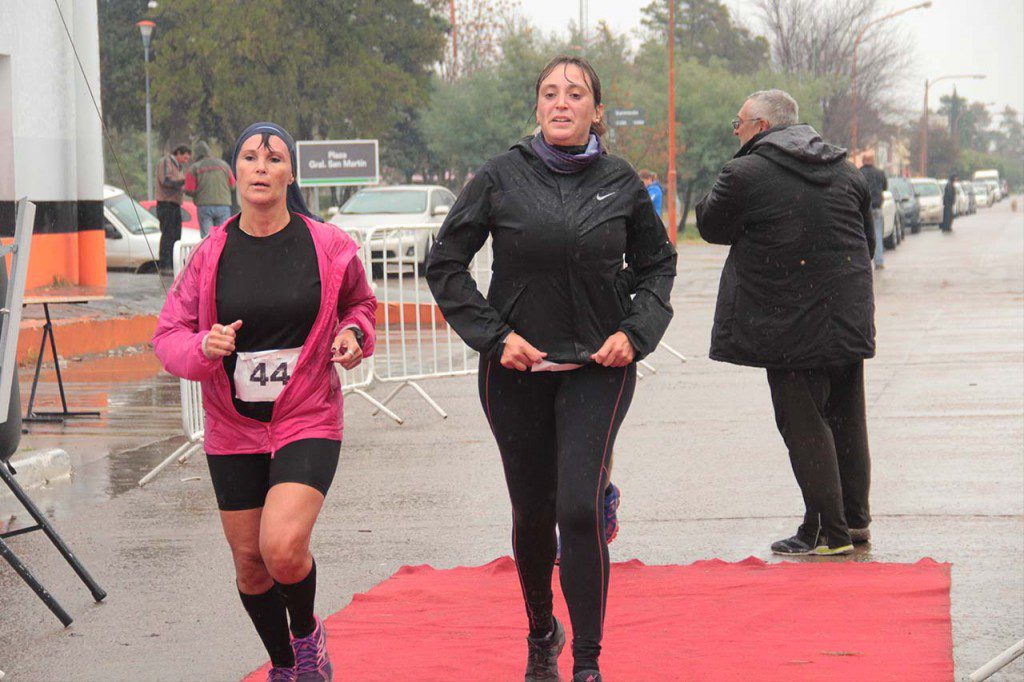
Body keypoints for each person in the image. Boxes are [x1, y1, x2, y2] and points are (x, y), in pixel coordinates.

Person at [427, 55, 676, 682]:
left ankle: (588, 663)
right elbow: (446, 264)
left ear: (597, 110)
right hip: (516, 373)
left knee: (578, 510)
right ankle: (542, 630)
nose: (561, 103)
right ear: (537, 107)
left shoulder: (620, 181)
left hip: (598, 366)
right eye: (549, 93)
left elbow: (657, 265)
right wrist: (495, 337)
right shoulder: (500, 176)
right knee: (534, 513)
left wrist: (634, 333)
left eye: (575, 94)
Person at [153, 122, 377, 682]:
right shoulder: (210, 253)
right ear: (235, 174)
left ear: (289, 174)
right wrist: (202, 347)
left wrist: (354, 334)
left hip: (307, 414)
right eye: (250, 157)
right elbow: (168, 335)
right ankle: (285, 664)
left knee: (281, 547)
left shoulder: (327, 245)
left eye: (274, 158)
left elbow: (360, 305)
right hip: (233, 425)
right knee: (251, 565)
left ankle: (307, 637)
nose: (261, 167)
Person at [696, 89, 875, 557]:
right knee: (846, 418)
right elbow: (868, 241)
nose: (735, 133)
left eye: (738, 124)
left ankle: (830, 533)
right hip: (846, 316)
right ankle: (852, 521)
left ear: (760, 126)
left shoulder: (745, 173)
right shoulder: (846, 170)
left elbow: (711, 226)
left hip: (786, 323)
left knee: (803, 424)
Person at [185, 140, 237, 238]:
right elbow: (233, 186)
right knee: (222, 236)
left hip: (204, 206)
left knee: (207, 238)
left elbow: (190, 190)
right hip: (223, 205)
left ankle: (210, 249)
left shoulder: (195, 167)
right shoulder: (224, 165)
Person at [155, 144, 191, 272]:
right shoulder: (167, 162)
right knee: (168, 236)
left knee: (176, 235)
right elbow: (166, 181)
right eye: (185, 158)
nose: (186, 161)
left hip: (175, 204)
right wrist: (183, 182)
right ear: (178, 153)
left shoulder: (178, 167)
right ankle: (165, 265)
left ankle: (173, 265)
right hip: (166, 204)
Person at [859, 150, 888, 269]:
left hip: (862, 209)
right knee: (877, 235)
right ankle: (879, 262)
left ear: (863, 160)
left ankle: (863, 263)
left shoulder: (859, 173)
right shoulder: (880, 173)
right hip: (877, 208)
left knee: (861, 236)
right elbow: (885, 187)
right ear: (873, 160)